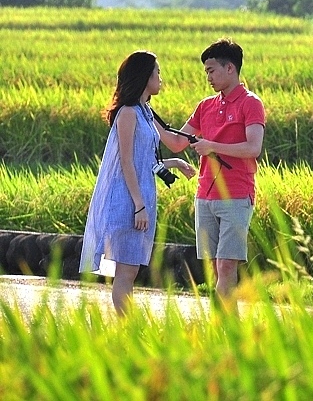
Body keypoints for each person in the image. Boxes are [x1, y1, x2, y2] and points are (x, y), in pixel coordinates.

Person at [80, 51, 196, 315]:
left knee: (130, 270)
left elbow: (144, 161)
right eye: (157, 72)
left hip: (140, 197)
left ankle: (127, 327)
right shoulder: (129, 113)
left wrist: (174, 163)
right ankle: (127, 328)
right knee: (126, 271)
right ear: (144, 76)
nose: (161, 78)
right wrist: (139, 205)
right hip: (129, 200)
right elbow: (126, 162)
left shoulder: (144, 112)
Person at [157, 37, 265, 301]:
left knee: (227, 265)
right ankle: (224, 328)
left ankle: (226, 327)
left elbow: (253, 148)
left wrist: (212, 146)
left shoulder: (251, 103)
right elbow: (177, 142)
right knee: (216, 269)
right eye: (206, 71)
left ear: (230, 69)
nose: (208, 77)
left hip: (236, 195)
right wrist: (146, 115)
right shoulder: (205, 106)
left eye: (211, 70)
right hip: (205, 195)